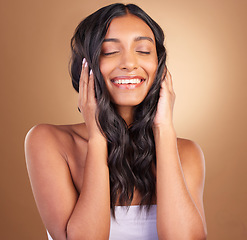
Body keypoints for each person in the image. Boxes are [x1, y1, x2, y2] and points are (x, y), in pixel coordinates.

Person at [25, 3, 207, 240]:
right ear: (85, 65)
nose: (129, 63)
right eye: (110, 52)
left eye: (143, 50)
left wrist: (163, 130)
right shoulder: (49, 142)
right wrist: (98, 136)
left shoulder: (187, 152)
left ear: (160, 67)